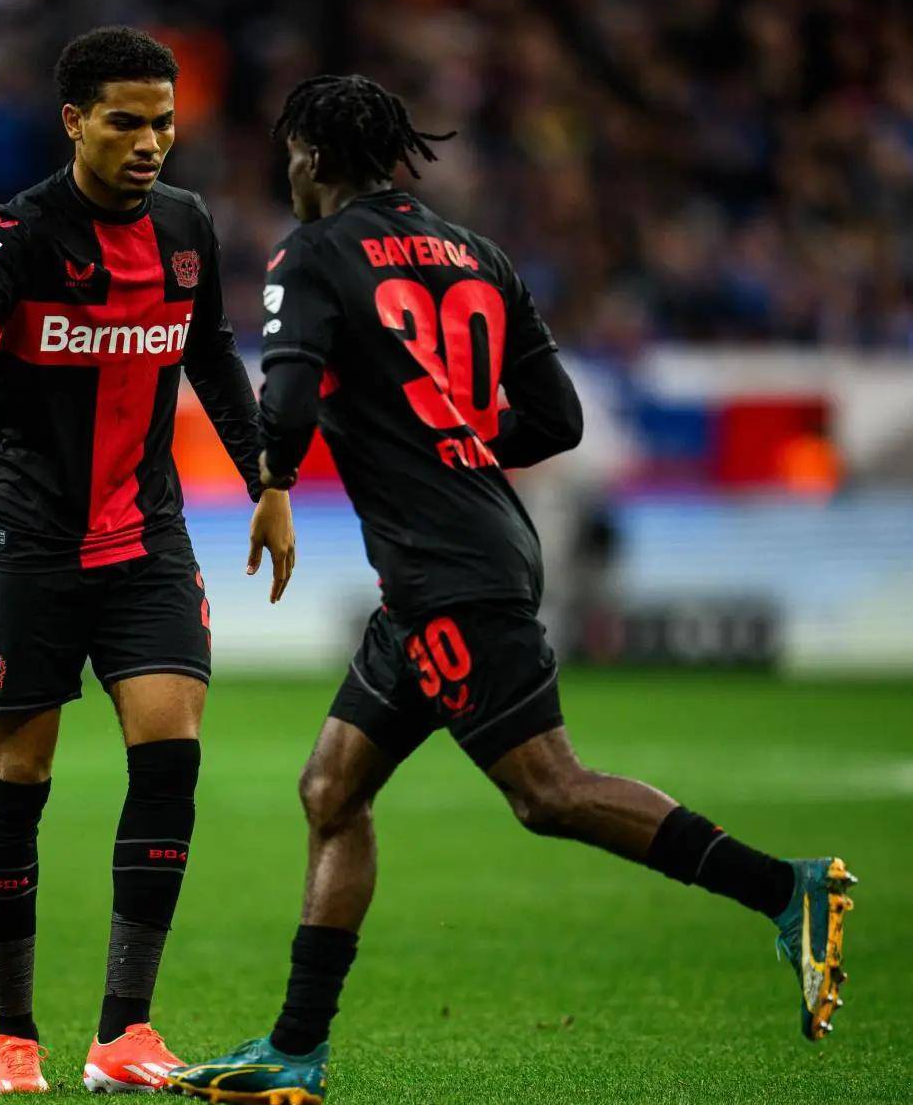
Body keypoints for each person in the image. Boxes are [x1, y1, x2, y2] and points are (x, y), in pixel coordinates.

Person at [166, 75, 855, 1104]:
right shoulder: (478, 253)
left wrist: (274, 484)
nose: (288, 172)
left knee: (549, 792)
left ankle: (784, 889)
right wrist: (453, 441)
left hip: (448, 570)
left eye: (291, 154)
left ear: (311, 154)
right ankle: (295, 1049)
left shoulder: (312, 251)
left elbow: (291, 390)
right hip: (460, 555)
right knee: (331, 789)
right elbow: (558, 419)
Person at [0, 27, 296, 1096]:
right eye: (126, 121)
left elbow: (211, 355)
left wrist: (269, 480)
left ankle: (125, 1032)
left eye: (164, 123)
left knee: (170, 754)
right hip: (25, 542)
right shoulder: (21, 230)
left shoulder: (187, 225)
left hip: (146, 536)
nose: (150, 142)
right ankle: (13, 1037)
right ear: (74, 121)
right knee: (18, 777)